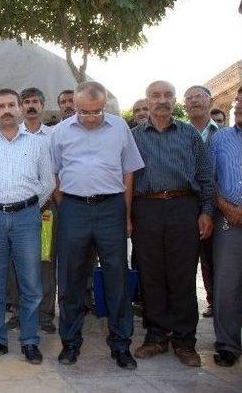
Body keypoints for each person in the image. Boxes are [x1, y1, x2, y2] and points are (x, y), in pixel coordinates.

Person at [51, 81, 144, 370]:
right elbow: (54, 173)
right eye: (85, 112)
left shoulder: (119, 128)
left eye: (97, 111)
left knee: (116, 276)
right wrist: (65, 206)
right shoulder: (60, 132)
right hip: (74, 208)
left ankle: (121, 345)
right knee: (71, 279)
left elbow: (128, 173)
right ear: (74, 106)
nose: (91, 117)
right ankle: (70, 342)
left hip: (111, 208)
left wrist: (126, 215)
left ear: (105, 105)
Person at [131, 80, 213, 367]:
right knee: (150, 275)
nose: (162, 100)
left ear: (175, 99)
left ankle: (184, 341)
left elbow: (205, 176)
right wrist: (128, 217)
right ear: (147, 100)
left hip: (184, 208)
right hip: (147, 208)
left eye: (167, 95)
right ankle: (155, 337)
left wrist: (206, 211)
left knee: (182, 276)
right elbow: (125, 180)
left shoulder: (189, 134)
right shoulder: (134, 137)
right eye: (156, 95)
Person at [0, 88, 55, 364]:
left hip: (27, 218)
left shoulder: (37, 144)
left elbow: (48, 183)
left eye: (11, 105)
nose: (6, 110)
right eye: (1, 106)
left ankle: (30, 341)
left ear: (19, 108)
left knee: (31, 282)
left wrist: (30, 205)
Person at [18, 87, 57, 335]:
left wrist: (40, 202)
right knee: (16, 260)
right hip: (15, 208)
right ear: (20, 107)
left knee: (44, 259)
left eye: (35, 102)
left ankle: (44, 314)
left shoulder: (54, 136)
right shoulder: (10, 133)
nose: (31, 106)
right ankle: (17, 311)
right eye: (27, 102)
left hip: (45, 206)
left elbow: (56, 173)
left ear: (43, 106)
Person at [209, 85, 242, 367]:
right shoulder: (220, 139)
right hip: (228, 222)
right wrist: (226, 207)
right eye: (237, 102)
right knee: (226, 287)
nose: (238, 106)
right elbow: (210, 179)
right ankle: (228, 345)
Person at [184, 85, 219, 318]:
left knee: (217, 260)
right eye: (189, 98)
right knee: (186, 263)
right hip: (185, 207)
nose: (194, 101)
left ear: (210, 101)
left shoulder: (226, 134)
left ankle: (220, 304)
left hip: (221, 207)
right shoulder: (179, 133)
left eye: (199, 97)